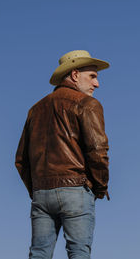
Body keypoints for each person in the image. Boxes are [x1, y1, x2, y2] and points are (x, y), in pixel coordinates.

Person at [15, 50, 110, 259]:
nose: (97, 84)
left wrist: (38, 189)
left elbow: (21, 160)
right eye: (92, 76)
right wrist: (100, 186)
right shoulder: (87, 104)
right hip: (76, 190)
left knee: (39, 254)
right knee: (78, 253)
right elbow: (97, 150)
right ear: (75, 75)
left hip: (41, 193)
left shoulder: (35, 110)